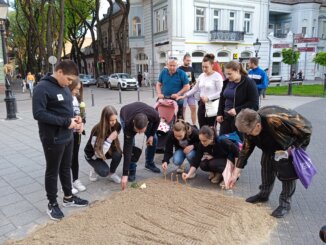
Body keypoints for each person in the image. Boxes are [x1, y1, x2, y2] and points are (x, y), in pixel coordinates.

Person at [227, 106, 312, 218]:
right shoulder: (250, 128)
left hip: (287, 146)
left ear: (257, 125)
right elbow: (246, 149)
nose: (247, 135)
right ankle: (263, 194)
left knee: (287, 174)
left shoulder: (274, 119)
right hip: (269, 146)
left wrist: (294, 147)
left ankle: (285, 204)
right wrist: (235, 173)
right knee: (266, 167)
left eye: (248, 133)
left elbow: (307, 128)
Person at [33, 60, 88, 221]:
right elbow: (39, 114)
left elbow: (66, 109)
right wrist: (66, 122)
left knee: (66, 168)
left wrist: (75, 118)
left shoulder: (64, 88)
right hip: (52, 138)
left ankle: (68, 197)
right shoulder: (42, 88)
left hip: (68, 135)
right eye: (69, 79)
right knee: (52, 171)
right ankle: (52, 203)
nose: (70, 83)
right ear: (60, 72)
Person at [120, 102, 161, 190]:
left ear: (148, 124)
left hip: (143, 114)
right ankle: (131, 170)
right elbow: (127, 150)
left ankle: (149, 163)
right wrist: (124, 174)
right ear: (134, 123)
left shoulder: (154, 115)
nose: (138, 133)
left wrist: (151, 135)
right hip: (125, 113)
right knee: (132, 144)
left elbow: (158, 120)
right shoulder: (128, 124)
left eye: (141, 131)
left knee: (154, 139)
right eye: (137, 130)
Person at [180, 54, 223, 128]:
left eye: (206, 67)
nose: (204, 69)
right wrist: (185, 95)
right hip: (201, 105)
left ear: (212, 65)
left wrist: (209, 98)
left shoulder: (217, 76)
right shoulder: (201, 75)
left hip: (212, 105)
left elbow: (221, 92)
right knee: (202, 127)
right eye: (202, 67)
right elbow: (195, 88)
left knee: (210, 129)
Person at [216, 61, 259, 136]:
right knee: (222, 141)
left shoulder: (249, 83)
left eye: (229, 74)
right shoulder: (226, 82)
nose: (227, 76)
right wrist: (219, 113)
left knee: (238, 144)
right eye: (225, 74)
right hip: (225, 119)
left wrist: (237, 110)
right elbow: (222, 99)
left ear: (237, 71)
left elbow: (254, 104)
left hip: (241, 120)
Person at [84, 105, 122, 184]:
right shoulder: (96, 130)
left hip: (106, 149)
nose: (114, 122)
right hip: (93, 155)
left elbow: (114, 144)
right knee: (104, 172)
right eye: (111, 120)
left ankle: (112, 174)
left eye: (115, 119)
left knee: (118, 154)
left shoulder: (117, 125)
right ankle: (95, 168)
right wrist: (109, 140)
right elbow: (98, 154)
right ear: (105, 119)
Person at [68, 78, 86, 194]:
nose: (77, 91)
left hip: (77, 133)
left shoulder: (78, 99)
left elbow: (83, 115)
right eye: (76, 89)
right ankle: (67, 183)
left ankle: (75, 179)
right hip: (67, 132)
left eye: (79, 89)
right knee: (67, 158)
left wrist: (82, 124)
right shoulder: (65, 99)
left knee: (75, 157)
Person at [179, 54, 197, 125]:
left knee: (194, 108)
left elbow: (193, 80)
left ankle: (194, 125)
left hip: (191, 92)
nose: (189, 62)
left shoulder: (191, 68)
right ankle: (183, 126)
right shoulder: (179, 69)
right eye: (187, 60)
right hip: (183, 92)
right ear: (183, 60)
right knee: (183, 110)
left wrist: (193, 84)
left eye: (190, 60)